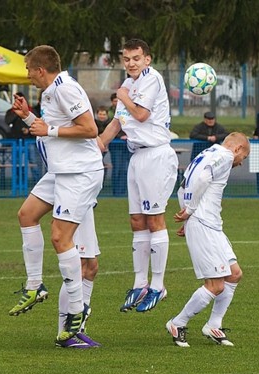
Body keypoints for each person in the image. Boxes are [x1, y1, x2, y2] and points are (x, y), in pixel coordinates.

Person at [7, 45, 104, 347]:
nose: (27, 76)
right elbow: (47, 129)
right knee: (26, 215)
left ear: (40, 69)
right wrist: (28, 118)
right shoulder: (50, 93)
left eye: (28, 70)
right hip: (61, 172)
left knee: (61, 238)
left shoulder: (66, 88)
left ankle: (75, 311)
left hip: (80, 173)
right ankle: (35, 285)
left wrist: (48, 130)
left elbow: (89, 129)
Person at [96, 39, 179, 313]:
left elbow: (141, 115)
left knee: (155, 219)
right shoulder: (128, 85)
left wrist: (123, 96)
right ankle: (140, 283)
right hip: (137, 156)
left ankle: (158, 285)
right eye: (126, 58)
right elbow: (118, 121)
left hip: (156, 154)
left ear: (147, 59)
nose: (130, 63)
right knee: (136, 220)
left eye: (136, 58)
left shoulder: (151, 79)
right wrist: (99, 144)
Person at [166, 132, 251, 347]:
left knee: (234, 274)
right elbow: (202, 180)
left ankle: (213, 325)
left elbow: (183, 187)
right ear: (238, 149)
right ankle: (178, 323)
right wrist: (191, 212)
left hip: (209, 224)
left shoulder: (207, 153)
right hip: (204, 224)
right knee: (215, 285)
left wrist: (187, 217)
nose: (241, 163)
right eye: (244, 158)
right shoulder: (225, 156)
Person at [5, 92, 43, 183]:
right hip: (16, 141)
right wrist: (17, 113)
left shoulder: (31, 110)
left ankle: (37, 182)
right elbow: (7, 121)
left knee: (34, 162)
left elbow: (37, 123)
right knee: (17, 163)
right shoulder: (11, 111)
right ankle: (19, 182)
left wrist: (28, 130)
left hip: (29, 140)